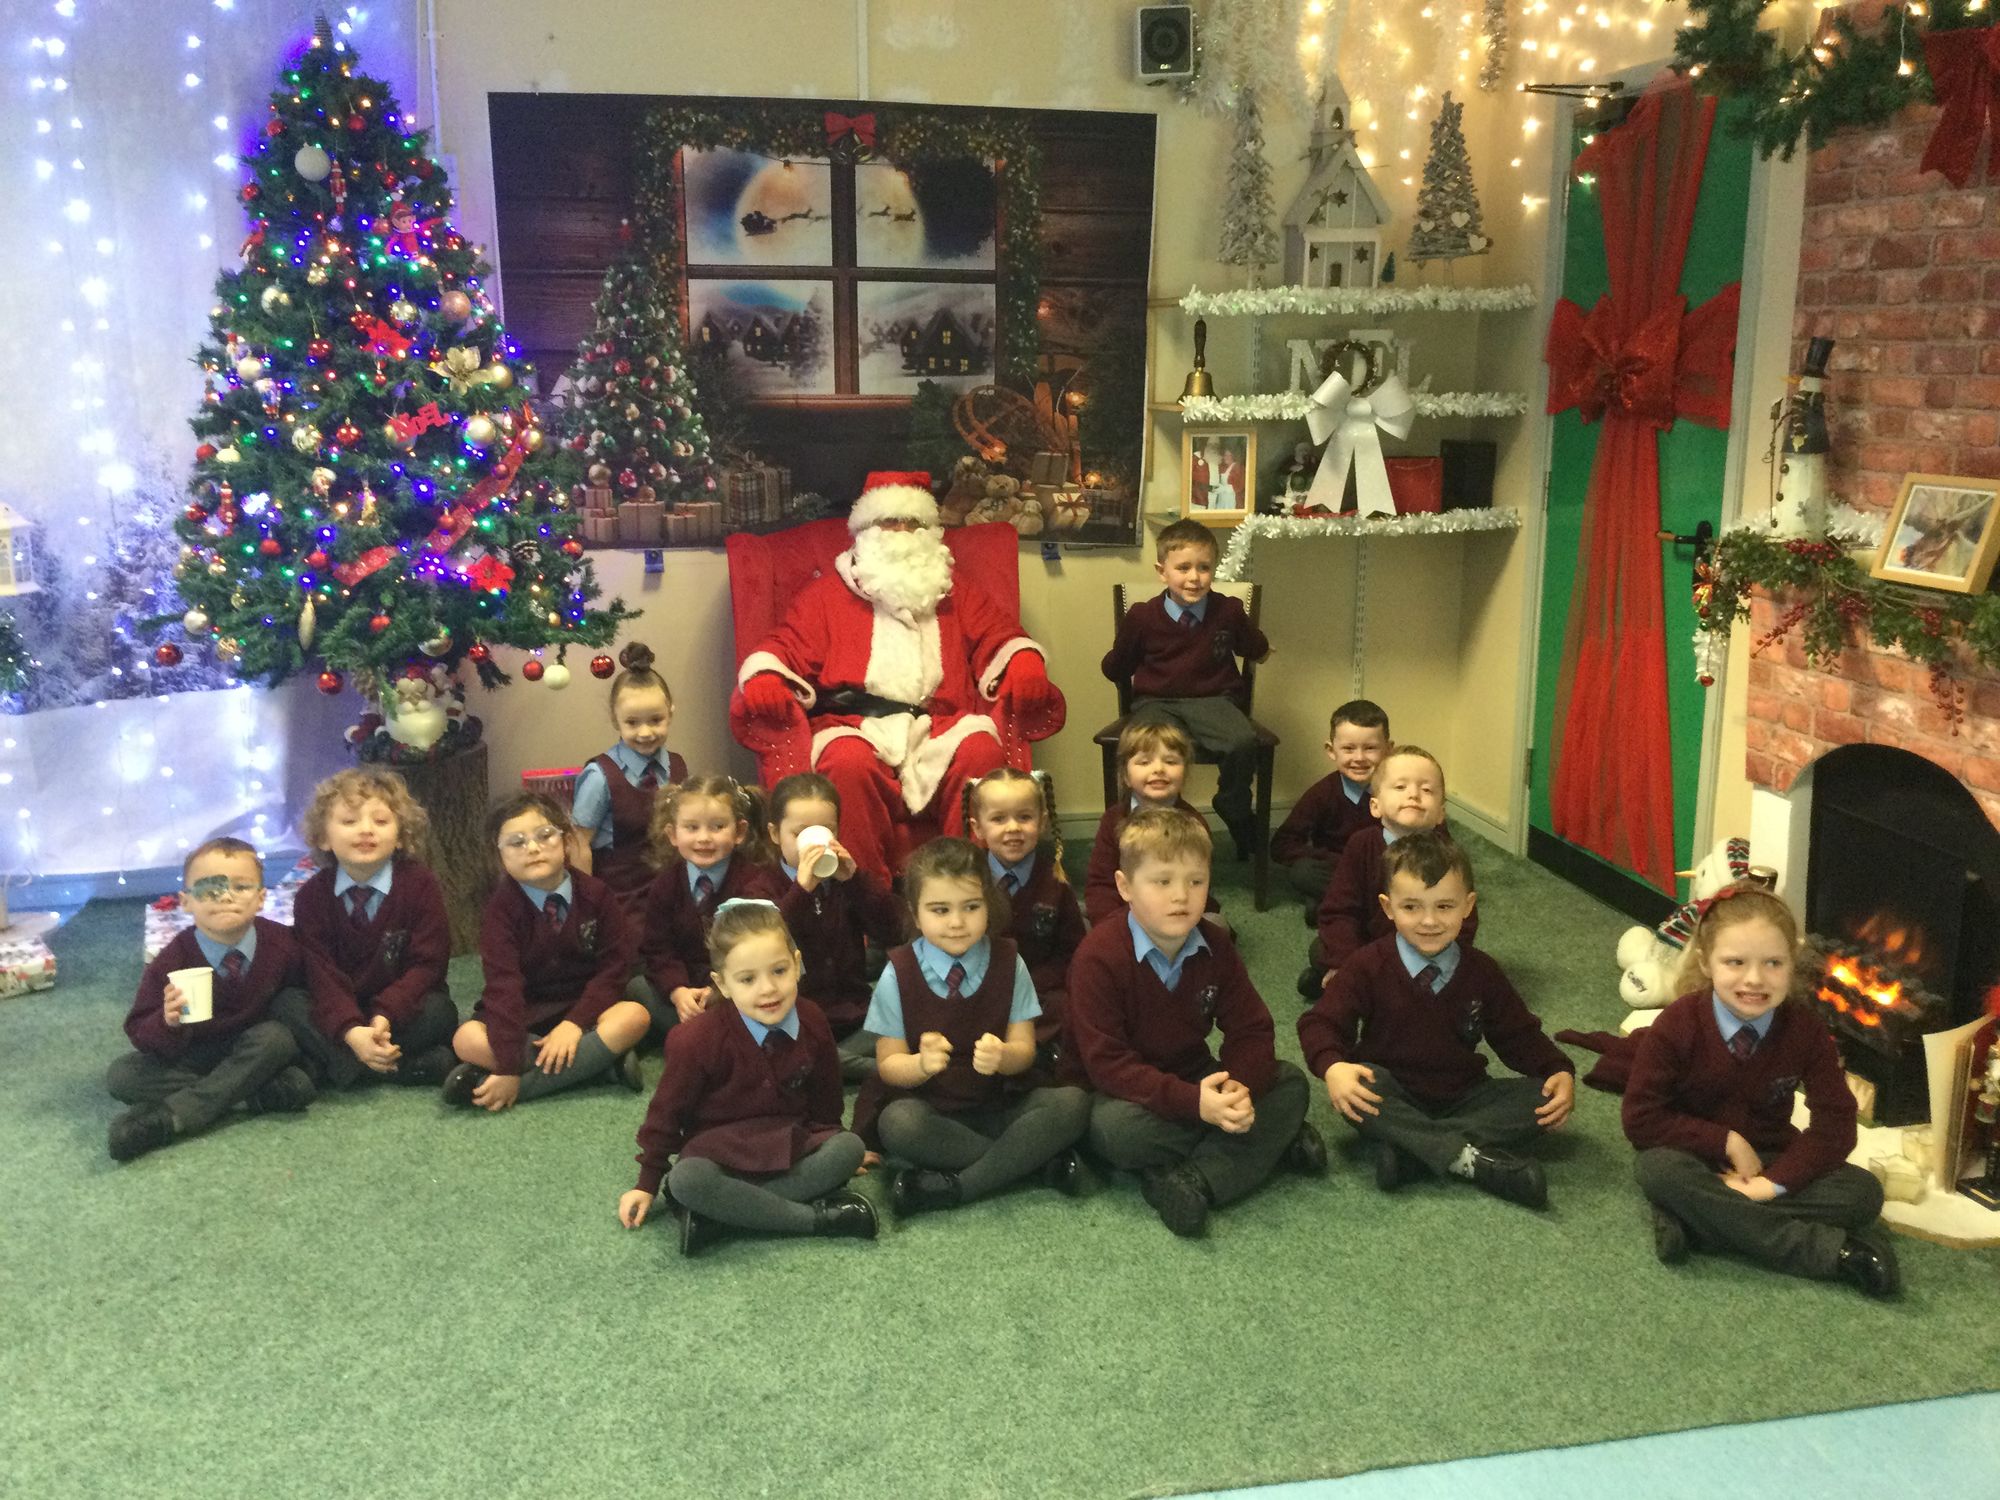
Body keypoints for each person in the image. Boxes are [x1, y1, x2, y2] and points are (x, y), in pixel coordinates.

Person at [736, 471, 1062, 879]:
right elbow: (787, 643)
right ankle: (864, 893)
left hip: (941, 725)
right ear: (865, 532)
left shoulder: (953, 592)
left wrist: (1022, 660)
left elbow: (998, 633)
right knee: (846, 764)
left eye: (914, 523)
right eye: (890, 522)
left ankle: (965, 887)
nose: (903, 532)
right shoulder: (826, 595)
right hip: (855, 724)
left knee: (980, 751)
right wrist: (766, 676)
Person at [1622, 886, 1899, 1297]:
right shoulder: (1677, 1023)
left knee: (1863, 1194)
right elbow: (1641, 1119)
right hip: (1689, 1156)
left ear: (1792, 965)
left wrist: (1771, 1185)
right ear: (1706, 962)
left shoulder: (1805, 1030)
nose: (1754, 979)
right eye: (1735, 962)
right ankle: (1831, 1254)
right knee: (1658, 1172)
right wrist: (1726, 1140)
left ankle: (1696, 1221)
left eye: (1773, 963)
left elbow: (1836, 1126)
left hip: (1770, 1159)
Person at [1065, 808, 1323, 1237]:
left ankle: (1193, 1179)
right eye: (1162, 882)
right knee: (1114, 1134)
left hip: (1195, 1075)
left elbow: (1251, 1028)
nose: (1181, 896)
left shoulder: (1215, 943)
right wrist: (1196, 1104)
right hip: (1126, 1094)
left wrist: (1240, 1086)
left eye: (1196, 882)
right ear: (1125, 887)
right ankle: (1263, 1145)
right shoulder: (1098, 956)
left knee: (1291, 1083)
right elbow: (1108, 1065)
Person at [1299, 831, 1574, 1210]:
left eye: (1444, 906)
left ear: (1468, 906)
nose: (1429, 921)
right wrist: (1333, 1067)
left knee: (1542, 1100)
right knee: (1360, 1090)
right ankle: (1467, 1159)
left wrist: (1557, 1069)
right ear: (1388, 907)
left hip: (1465, 1094)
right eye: (1411, 907)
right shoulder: (1366, 965)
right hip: (1393, 1090)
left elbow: (1518, 1034)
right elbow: (1320, 1023)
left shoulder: (1482, 971)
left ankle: (1413, 1152)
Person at [618, 899, 876, 1257]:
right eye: (747, 979)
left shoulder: (812, 1019)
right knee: (686, 1180)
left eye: (779, 971)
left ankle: (720, 1218)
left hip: (792, 1145)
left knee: (849, 1148)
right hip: (721, 1157)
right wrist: (647, 1182)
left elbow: (826, 1099)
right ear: (722, 984)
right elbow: (665, 1116)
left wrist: (832, 1140)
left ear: (797, 964)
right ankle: (813, 1220)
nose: (767, 989)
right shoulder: (694, 1039)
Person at [856, 837, 1091, 1218]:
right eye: (940, 910)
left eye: (971, 907)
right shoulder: (897, 972)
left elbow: (1024, 1051)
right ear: (916, 913)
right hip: (933, 1111)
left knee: (1073, 1103)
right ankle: (1034, 1164)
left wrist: (1004, 1057)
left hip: (1000, 1104)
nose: (956, 922)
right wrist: (919, 1065)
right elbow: (888, 1065)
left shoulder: (1010, 961)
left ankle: (957, 1186)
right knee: (898, 1125)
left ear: (989, 905)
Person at [105, 839, 313, 1161]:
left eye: (241, 887)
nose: (226, 896)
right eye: (209, 888)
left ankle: (172, 1118)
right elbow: (140, 1032)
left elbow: (305, 1000)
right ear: (186, 902)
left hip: (255, 1049)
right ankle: (249, 1096)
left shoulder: (282, 944)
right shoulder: (173, 957)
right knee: (122, 1075)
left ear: (261, 898)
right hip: (196, 1054)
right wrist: (167, 1021)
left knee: (277, 1038)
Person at [445, 794, 649, 1111]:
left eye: (544, 835)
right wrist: (508, 1063)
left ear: (565, 842)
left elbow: (614, 970)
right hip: (524, 1013)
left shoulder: (597, 894)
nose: (533, 848)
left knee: (634, 1017)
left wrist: (574, 1024)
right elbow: (504, 987)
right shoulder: (500, 910)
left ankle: (523, 1087)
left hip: (585, 1008)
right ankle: (601, 1067)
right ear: (499, 856)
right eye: (516, 842)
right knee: (466, 1038)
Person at [1101, 519, 1270, 861]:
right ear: (1162, 571)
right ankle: (1155, 820)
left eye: (1204, 568)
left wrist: (1263, 650)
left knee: (1242, 741)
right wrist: (1116, 659)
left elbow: (1255, 647)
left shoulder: (1228, 610)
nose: (1194, 577)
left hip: (1214, 700)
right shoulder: (1142, 617)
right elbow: (1117, 667)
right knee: (1152, 750)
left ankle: (1232, 803)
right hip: (1156, 703)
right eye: (1183, 568)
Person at [279, 767, 457, 1090]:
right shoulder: (311, 898)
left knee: (440, 1011)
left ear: (401, 836)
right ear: (323, 838)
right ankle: (395, 1067)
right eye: (349, 822)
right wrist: (350, 1030)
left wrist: (385, 1015)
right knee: (287, 1003)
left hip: (397, 1011)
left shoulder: (420, 884)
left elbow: (428, 965)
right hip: (338, 1007)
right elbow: (320, 974)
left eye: (381, 821)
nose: (365, 830)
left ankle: (335, 1067)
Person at [1302, 743, 1477, 998]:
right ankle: (1339, 981)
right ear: (1375, 806)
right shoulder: (1361, 845)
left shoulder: (1447, 854)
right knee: (1321, 949)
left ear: (1441, 813)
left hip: (1429, 948)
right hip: (1370, 947)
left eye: (1426, 789)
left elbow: (1465, 917)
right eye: (1400, 787)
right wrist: (1343, 963)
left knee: (1470, 971)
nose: (1413, 795)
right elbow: (1339, 909)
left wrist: (1440, 960)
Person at [767, 771, 905, 1082]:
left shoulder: (846, 881)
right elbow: (766, 941)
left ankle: (825, 1064)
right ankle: (880, 1069)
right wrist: (801, 890)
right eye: (800, 833)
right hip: (796, 1019)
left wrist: (856, 882)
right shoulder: (761, 884)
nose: (814, 842)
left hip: (855, 1014)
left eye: (826, 831)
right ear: (775, 834)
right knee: (772, 1043)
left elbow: (895, 931)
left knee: (903, 1015)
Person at [632, 776, 785, 1034]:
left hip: (737, 988)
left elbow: (757, 952)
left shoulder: (754, 883)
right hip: (686, 989)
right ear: (673, 834)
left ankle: (713, 1032)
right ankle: (706, 1031)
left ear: (739, 832)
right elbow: (658, 950)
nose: (704, 838)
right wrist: (678, 991)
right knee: (637, 987)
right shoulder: (665, 885)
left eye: (717, 827)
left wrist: (719, 991)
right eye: (691, 828)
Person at [965, 766, 1082, 1069]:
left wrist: (1030, 985)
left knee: (1070, 1008)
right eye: (998, 819)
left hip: (1039, 989)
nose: (1013, 828)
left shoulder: (1055, 882)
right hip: (981, 985)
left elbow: (1073, 952)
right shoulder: (966, 880)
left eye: (1024, 817)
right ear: (978, 828)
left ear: (1042, 823)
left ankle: (1034, 1058)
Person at [568, 643, 686, 917]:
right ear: (615, 719)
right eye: (632, 723)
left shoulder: (678, 766)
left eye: (656, 720)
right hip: (620, 901)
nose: (645, 732)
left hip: (671, 895)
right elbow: (579, 844)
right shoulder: (599, 777)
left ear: (670, 712)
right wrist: (588, 909)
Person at [1083, 720, 1219, 925]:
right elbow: (1101, 884)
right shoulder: (1113, 820)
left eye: (1170, 761)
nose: (1159, 769)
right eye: (1145, 762)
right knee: (1077, 917)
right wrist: (1115, 928)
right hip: (1123, 913)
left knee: (1216, 924)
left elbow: (1197, 886)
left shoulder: (1194, 823)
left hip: (1178, 912)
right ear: (1125, 776)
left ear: (1184, 773)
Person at [1271, 699, 1390, 913]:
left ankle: (1338, 904)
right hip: (1339, 867)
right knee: (1303, 873)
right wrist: (1335, 859)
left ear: (1388, 749)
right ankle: (1367, 905)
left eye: (1370, 748)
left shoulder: (1398, 787)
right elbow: (1282, 843)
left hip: (1386, 866)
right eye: (1348, 749)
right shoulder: (1321, 793)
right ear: (1331, 750)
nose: (1359, 758)